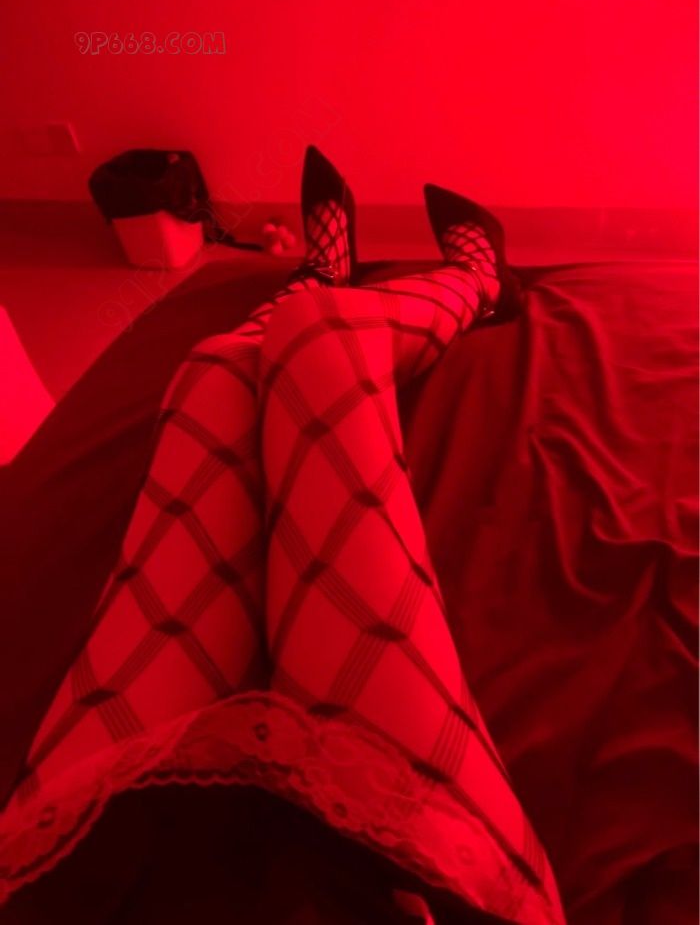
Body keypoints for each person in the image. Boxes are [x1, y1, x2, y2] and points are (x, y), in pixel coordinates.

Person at [0, 148, 563, 924]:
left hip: (99, 885)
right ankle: (475, 283)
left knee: (212, 369)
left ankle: (321, 278)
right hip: (375, 888)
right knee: (321, 339)